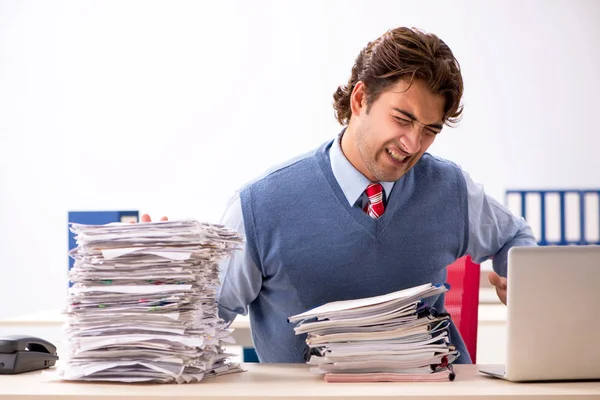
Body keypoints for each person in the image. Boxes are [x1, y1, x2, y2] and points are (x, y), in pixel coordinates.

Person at [143, 26, 536, 364]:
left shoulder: (451, 190)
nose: (414, 143)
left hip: (433, 391)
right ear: (360, 99)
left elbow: (513, 237)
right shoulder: (260, 207)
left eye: (430, 129)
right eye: (403, 118)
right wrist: (160, 289)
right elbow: (206, 317)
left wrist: (523, 277)